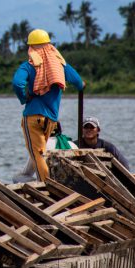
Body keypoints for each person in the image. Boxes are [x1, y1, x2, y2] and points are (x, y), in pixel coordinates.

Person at [12, 29, 84, 181]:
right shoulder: (60, 65)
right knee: (42, 153)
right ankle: (50, 181)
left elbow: (17, 83)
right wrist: (81, 86)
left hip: (33, 117)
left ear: (31, 48)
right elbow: (78, 82)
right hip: (51, 119)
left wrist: (24, 98)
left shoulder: (28, 66)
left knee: (37, 154)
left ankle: (46, 185)